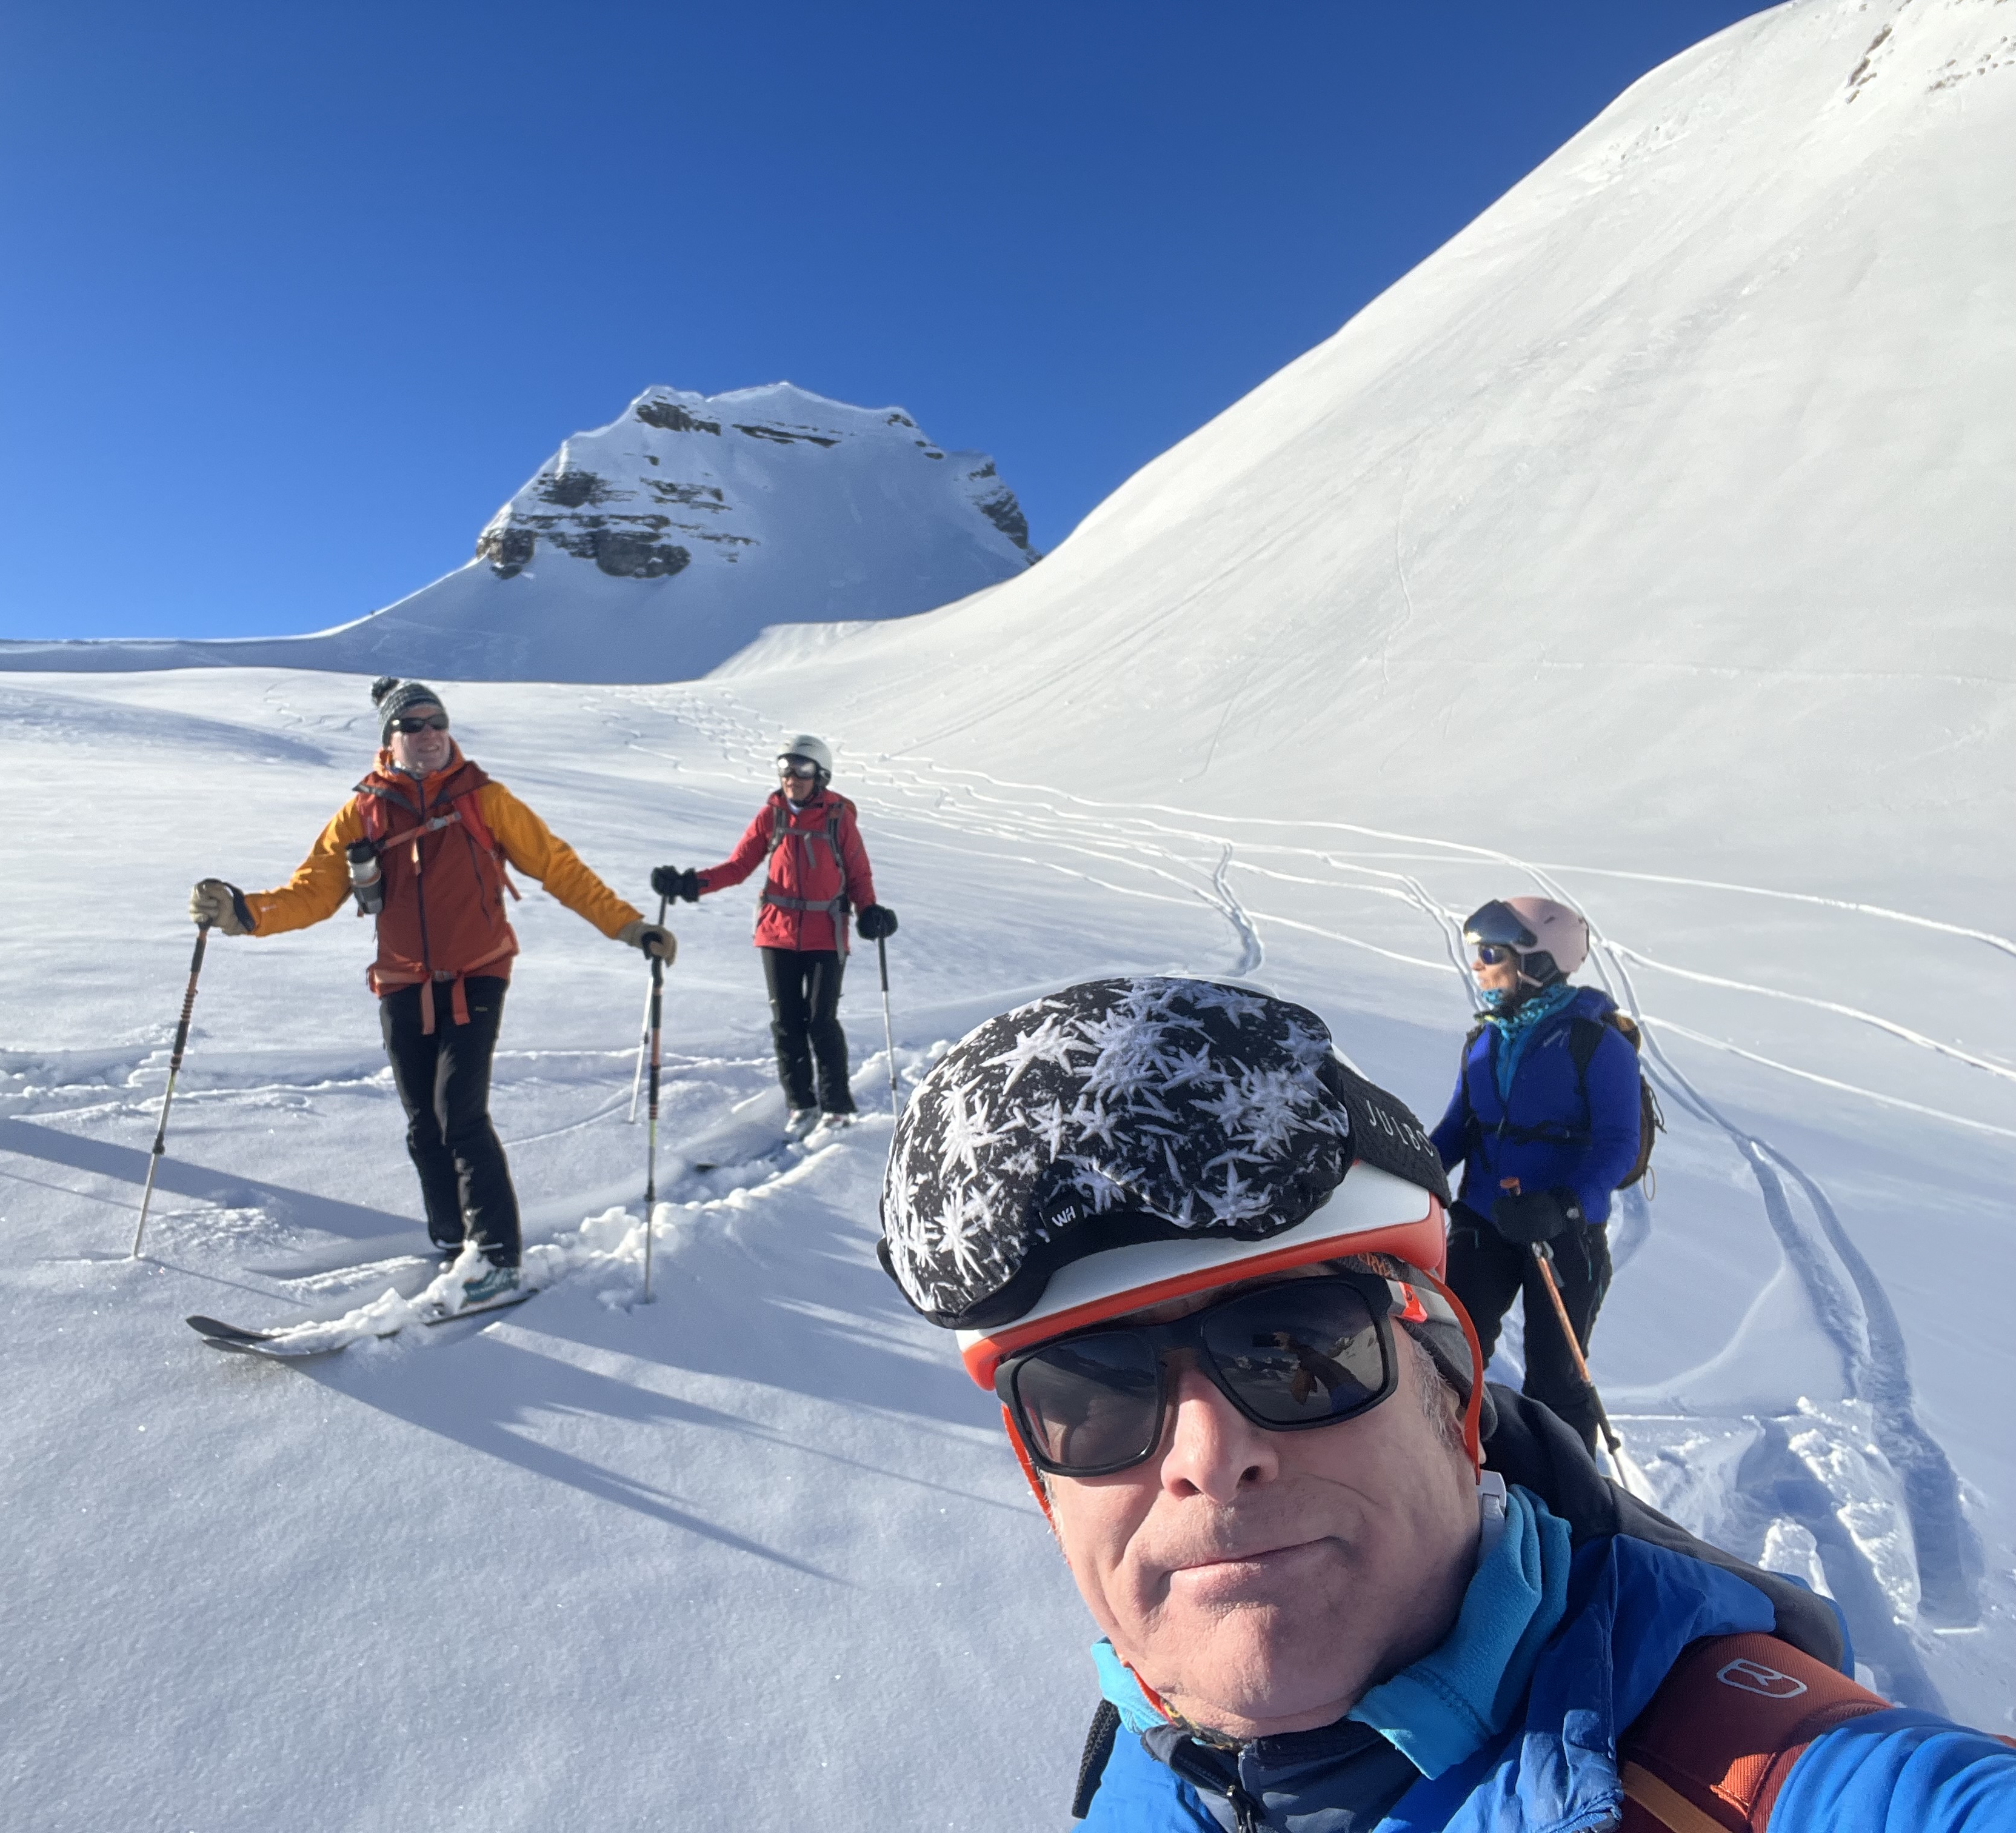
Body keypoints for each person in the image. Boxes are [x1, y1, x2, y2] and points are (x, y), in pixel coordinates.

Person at [878, 977, 2015, 1830]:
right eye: (1092, 1392)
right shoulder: (1143, 1762)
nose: (1208, 1455)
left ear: (1454, 1396)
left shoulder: (1751, 1781)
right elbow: (1463, 1123)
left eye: (1298, 1352)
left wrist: (1556, 1199)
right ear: (1042, 1477)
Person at [189, 679, 675, 1309]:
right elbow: (312, 891)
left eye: (436, 720)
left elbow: (558, 866)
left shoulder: (485, 799)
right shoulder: (361, 812)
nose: (428, 733)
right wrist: (243, 913)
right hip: (400, 981)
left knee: (460, 1114)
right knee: (423, 1125)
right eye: (412, 725)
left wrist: (629, 925)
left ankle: (497, 1255)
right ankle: (452, 1240)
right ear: (389, 741)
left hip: (478, 971)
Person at [1429, 897, 1638, 1452]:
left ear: (1539, 961)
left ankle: (1566, 1499)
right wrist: (1409, 1167)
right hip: (1485, 1221)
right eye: (1478, 954)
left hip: (1563, 1233)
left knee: (1556, 1378)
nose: (1478, 966)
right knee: (1451, 1352)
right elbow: (1458, 1126)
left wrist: (1565, 1206)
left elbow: (1621, 1142)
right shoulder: (1484, 1039)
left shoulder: (1597, 1042)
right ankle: (1451, 1469)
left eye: (1491, 954)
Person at [650, 733, 895, 1134]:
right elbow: (737, 867)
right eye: (785, 767)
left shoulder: (838, 819)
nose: (791, 777)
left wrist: (870, 912)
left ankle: (837, 1106)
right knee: (786, 1023)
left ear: (821, 775)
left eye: (802, 769)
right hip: (776, 933)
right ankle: (802, 1105)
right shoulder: (774, 815)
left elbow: (858, 873)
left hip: (825, 933)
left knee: (821, 1020)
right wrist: (689, 884)